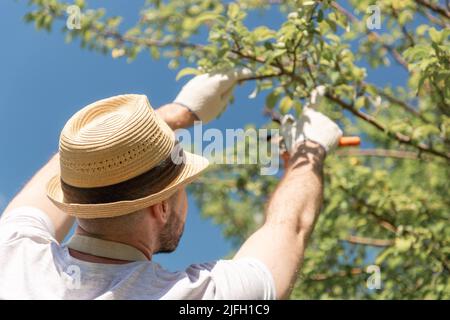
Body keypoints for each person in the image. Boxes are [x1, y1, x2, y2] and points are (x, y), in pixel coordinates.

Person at [0, 69, 342, 299]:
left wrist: (171, 117)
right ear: (161, 207)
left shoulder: (12, 257)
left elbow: (79, 162)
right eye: (182, 185)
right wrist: (310, 151)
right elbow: (290, 227)